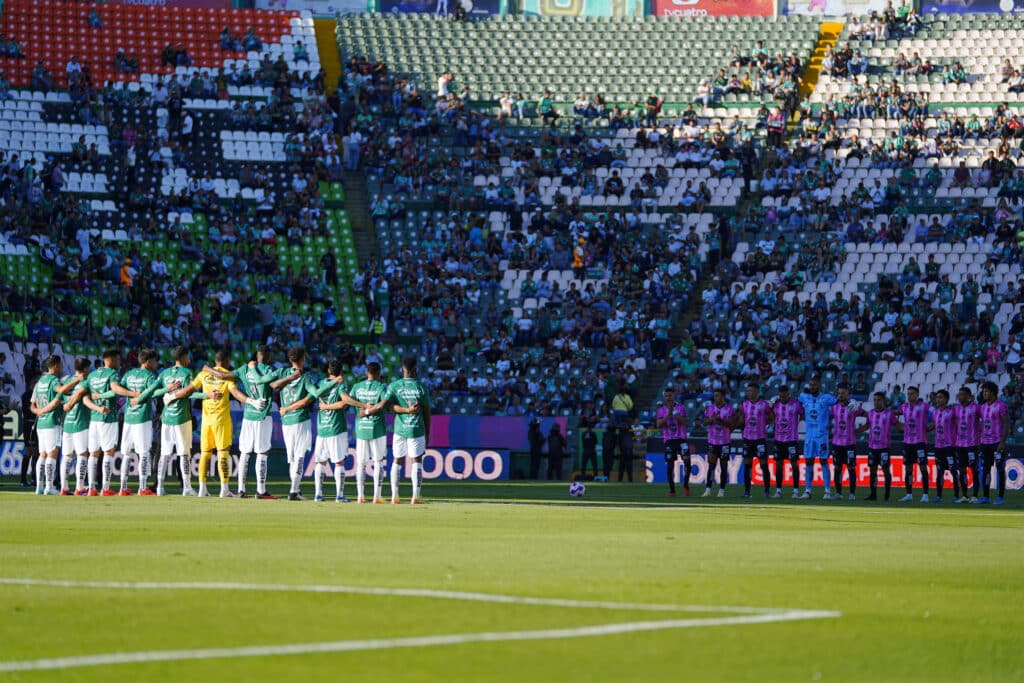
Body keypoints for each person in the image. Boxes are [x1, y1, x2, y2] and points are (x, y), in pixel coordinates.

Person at [204, 345, 299, 499]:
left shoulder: (244, 369)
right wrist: (289, 378)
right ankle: (260, 490)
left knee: (245, 452)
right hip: (263, 415)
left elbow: (223, 376)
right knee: (262, 452)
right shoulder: (269, 370)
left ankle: (241, 489)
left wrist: (207, 369)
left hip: (248, 415)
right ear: (267, 356)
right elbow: (274, 385)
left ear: (257, 354)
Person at [169, 350, 263, 498]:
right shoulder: (227, 375)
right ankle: (224, 489)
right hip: (221, 420)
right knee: (223, 453)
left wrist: (171, 396)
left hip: (206, 421)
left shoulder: (203, 374)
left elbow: (188, 391)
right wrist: (251, 401)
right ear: (226, 360)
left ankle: (202, 489)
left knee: (205, 454)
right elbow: (235, 393)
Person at [272, 346, 333, 501]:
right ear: (302, 359)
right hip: (300, 419)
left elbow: (274, 385)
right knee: (299, 456)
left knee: (292, 458)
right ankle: (293, 491)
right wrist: (332, 382)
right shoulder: (305, 377)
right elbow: (315, 393)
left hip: (286, 421)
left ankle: (296, 489)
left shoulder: (283, 373)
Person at [374, 356, 431, 504]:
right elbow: (426, 413)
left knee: (397, 461)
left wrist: (366, 411)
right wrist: (427, 434)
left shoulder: (394, 386)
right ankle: (415, 497)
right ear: (415, 370)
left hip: (399, 429)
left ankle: (394, 496)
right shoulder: (421, 387)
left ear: (402, 370)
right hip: (416, 429)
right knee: (416, 461)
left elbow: (384, 405)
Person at [85, 350, 138, 496]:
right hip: (108, 417)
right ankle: (106, 488)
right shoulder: (112, 374)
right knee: (108, 452)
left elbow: (85, 397)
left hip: (94, 418)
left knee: (93, 454)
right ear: (111, 361)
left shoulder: (92, 375)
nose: (120, 363)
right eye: (118, 360)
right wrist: (133, 394)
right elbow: (115, 389)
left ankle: (91, 488)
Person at [112, 349, 162, 495]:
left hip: (129, 418)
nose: (156, 364)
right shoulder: (149, 376)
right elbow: (153, 392)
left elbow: (118, 389)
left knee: (126, 453)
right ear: (147, 362)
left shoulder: (129, 374)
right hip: (142, 418)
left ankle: (123, 487)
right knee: (144, 452)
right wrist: (167, 389)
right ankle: (142, 487)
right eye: (154, 361)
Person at [310, 360, 360, 502]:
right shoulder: (341, 384)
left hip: (322, 428)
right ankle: (339, 495)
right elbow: (345, 401)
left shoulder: (320, 383)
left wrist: (325, 407)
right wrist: (360, 405)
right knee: (339, 462)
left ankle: (318, 494)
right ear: (341, 371)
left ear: (328, 371)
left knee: (320, 462)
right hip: (336, 427)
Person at [29, 356, 78, 495]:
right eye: (60, 364)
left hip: (41, 423)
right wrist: (76, 379)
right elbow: (61, 390)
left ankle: (39, 486)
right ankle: (49, 487)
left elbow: (32, 404)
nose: (62, 367)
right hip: (52, 422)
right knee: (52, 454)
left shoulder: (40, 382)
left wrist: (38, 411)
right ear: (55, 365)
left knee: (42, 454)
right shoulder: (53, 380)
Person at [154, 346, 197, 497]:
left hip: (166, 418)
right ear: (184, 357)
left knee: (164, 454)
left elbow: (154, 392)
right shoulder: (187, 372)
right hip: (181, 417)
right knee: (184, 453)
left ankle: (159, 487)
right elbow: (190, 393)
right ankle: (187, 487)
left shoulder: (164, 373)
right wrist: (207, 396)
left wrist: (167, 391)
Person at [351, 362, 390, 503]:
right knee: (378, 462)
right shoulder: (381, 387)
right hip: (377, 428)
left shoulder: (356, 387)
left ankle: (360, 496)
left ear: (366, 373)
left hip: (361, 428)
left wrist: (362, 408)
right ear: (379, 373)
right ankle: (376, 496)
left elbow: (349, 400)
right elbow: (383, 404)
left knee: (361, 463)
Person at [798, 377, 838, 500]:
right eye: (810, 385)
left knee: (824, 461)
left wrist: (851, 401)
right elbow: (791, 400)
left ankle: (827, 491)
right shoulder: (804, 397)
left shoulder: (826, 398)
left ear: (819, 386)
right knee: (808, 461)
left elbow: (839, 401)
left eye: (814, 385)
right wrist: (777, 399)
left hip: (822, 435)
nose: (812, 387)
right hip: (809, 435)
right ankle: (808, 490)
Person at [736, 382, 773, 499]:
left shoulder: (764, 404)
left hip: (760, 439)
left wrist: (764, 423)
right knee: (747, 466)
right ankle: (747, 492)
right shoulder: (744, 404)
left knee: (763, 465)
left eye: (751, 391)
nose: (748, 393)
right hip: (747, 438)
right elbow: (741, 419)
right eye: (747, 391)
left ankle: (767, 491)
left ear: (757, 391)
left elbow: (771, 417)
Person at [829, 383, 865, 501]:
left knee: (850, 468)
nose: (840, 395)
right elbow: (826, 418)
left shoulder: (853, 406)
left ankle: (852, 494)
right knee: (837, 468)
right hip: (836, 443)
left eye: (843, 393)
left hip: (850, 443)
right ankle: (838, 493)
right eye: (839, 393)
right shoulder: (834, 407)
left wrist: (860, 429)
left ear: (848, 393)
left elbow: (870, 416)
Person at [61, 359, 91, 495]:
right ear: (85, 369)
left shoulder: (67, 381)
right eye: (89, 368)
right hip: (80, 423)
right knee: (82, 455)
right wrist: (70, 404)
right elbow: (79, 394)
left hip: (67, 423)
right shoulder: (85, 381)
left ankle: (64, 487)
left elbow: (61, 393)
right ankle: (79, 487)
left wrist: (66, 405)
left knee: (67, 456)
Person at [896, 386, 931, 503]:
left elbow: (936, 414)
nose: (910, 396)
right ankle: (909, 494)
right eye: (908, 394)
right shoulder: (904, 407)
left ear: (917, 395)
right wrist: (898, 426)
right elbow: (893, 414)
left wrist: (928, 429)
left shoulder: (924, 406)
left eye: (912, 394)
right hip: (907, 442)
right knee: (908, 469)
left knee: (922, 467)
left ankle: (925, 494)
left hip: (920, 442)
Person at [977, 381, 1010, 505]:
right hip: (985, 443)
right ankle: (985, 496)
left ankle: (1000, 497)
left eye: (986, 391)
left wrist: (1002, 442)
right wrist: (980, 438)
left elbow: (1006, 424)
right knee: (985, 469)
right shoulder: (982, 407)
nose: (984, 394)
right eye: (983, 391)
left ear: (993, 392)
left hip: (997, 443)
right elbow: (982, 424)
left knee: (1000, 469)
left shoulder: (1001, 406)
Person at [859, 392, 895, 501]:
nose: (876, 402)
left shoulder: (889, 414)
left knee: (885, 471)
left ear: (883, 401)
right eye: (874, 400)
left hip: (884, 448)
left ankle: (887, 495)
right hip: (872, 447)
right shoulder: (870, 413)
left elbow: (898, 426)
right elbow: (866, 426)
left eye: (879, 399)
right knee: (872, 471)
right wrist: (855, 430)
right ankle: (873, 495)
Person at [655, 388, 689, 496]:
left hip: (681, 439)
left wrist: (676, 415)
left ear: (674, 396)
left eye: (670, 395)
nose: (668, 398)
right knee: (670, 466)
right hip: (669, 440)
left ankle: (686, 485)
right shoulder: (661, 410)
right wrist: (668, 414)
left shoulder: (681, 407)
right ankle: (672, 490)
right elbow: (659, 424)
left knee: (687, 463)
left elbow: (684, 422)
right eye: (666, 396)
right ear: (664, 397)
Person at [771, 385, 803, 498]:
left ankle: (795, 491)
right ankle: (778, 490)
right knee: (779, 464)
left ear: (788, 394)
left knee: (794, 464)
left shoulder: (796, 404)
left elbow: (803, 414)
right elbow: (770, 416)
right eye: (780, 396)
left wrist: (797, 424)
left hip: (792, 439)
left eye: (784, 395)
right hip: (778, 439)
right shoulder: (775, 404)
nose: (782, 398)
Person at [702, 388, 735, 497]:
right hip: (712, 441)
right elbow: (705, 422)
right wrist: (712, 419)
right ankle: (708, 490)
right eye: (715, 396)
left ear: (723, 397)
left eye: (718, 396)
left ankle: (721, 490)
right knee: (711, 466)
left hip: (725, 442)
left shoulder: (729, 409)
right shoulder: (710, 408)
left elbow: (731, 424)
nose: (716, 398)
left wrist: (720, 419)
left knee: (724, 466)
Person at [953, 386, 981, 503]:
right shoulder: (956, 408)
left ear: (969, 396)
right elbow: (955, 421)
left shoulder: (976, 408)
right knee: (962, 470)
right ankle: (964, 495)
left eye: (963, 395)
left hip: (972, 444)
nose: (961, 397)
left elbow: (985, 419)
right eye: (959, 395)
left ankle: (974, 496)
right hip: (960, 444)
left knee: (974, 470)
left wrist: (980, 433)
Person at [930, 389, 957, 503]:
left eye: (940, 397)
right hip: (938, 446)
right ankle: (938, 496)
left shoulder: (952, 412)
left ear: (946, 399)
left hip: (949, 446)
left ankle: (956, 496)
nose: (938, 399)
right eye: (937, 397)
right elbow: (932, 426)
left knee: (953, 471)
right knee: (939, 471)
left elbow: (959, 425)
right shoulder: (935, 412)